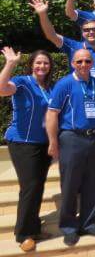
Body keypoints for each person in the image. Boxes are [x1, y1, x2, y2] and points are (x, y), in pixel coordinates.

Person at [46, 49, 95, 246]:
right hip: (72, 138)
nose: (83, 64)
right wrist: (53, 141)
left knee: (94, 183)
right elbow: (52, 114)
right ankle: (69, 227)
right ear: (73, 63)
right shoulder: (64, 84)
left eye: (87, 61)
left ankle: (88, 224)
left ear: (92, 63)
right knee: (70, 183)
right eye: (79, 61)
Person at [0, 48, 53, 252]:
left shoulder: (48, 88)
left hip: (42, 143)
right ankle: (23, 234)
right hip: (22, 142)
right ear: (31, 64)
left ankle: (34, 228)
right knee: (30, 186)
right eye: (38, 63)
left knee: (37, 186)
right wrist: (10, 64)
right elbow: (2, 89)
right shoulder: (22, 82)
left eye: (45, 63)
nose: (42, 66)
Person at [30, 0, 95, 80]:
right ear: (82, 32)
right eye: (87, 30)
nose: (91, 32)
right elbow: (51, 35)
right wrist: (42, 14)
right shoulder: (73, 46)